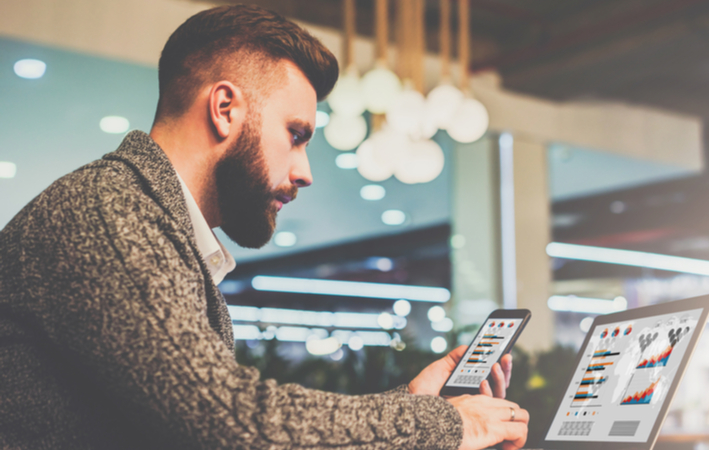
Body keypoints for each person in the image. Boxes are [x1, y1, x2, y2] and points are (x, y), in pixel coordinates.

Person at [0, 5, 529, 450]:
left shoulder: (152, 225)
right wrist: (451, 425)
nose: (305, 171)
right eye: (296, 134)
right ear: (225, 108)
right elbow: (231, 423)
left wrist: (408, 405)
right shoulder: (107, 213)